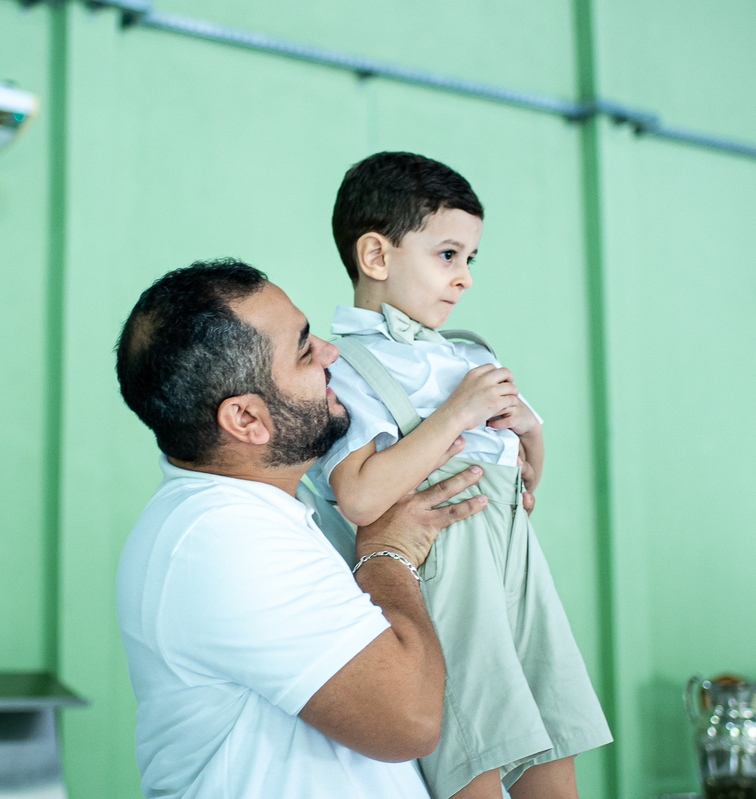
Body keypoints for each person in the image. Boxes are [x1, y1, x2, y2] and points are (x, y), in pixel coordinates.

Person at [115, 260, 488, 799]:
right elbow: (407, 719)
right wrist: (388, 554)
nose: (332, 353)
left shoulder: (259, 509)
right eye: (304, 349)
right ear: (245, 420)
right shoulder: (225, 540)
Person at [307, 152, 610, 799]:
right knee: (475, 737)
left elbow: (526, 471)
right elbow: (358, 496)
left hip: (513, 552)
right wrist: (456, 415)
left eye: (471, 258)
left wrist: (531, 435)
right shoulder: (349, 366)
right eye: (448, 255)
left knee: (552, 721)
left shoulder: (469, 352)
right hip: (445, 565)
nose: (464, 277)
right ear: (376, 257)